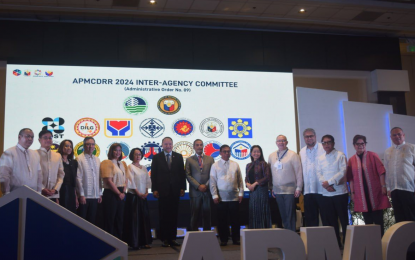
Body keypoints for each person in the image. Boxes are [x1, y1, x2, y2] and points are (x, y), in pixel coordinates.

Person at [347, 134, 390, 236]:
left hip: (375, 193)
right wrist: (352, 193)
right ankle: (371, 242)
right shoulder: (351, 160)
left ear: (365, 144)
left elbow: (381, 172)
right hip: (361, 194)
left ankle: (381, 242)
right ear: (354, 145)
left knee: (378, 219)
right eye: (358, 144)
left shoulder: (373, 155)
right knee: (367, 221)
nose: (360, 146)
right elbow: (350, 178)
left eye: (362, 143)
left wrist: (383, 186)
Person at [151, 137, 186, 247]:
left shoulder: (179, 157)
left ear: (172, 144)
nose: (168, 146)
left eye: (170, 144)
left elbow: (182, 174)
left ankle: (173, 238)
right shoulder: (157, 157)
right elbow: (154, 175)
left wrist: (182, 188)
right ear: (162, 145)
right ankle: (164, 239)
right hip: (162, 191)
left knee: (174, 215)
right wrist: (154, 189)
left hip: (175, 191)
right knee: (163, 215)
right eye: (166, 144)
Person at [316, 134, 348, 248]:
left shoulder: (340, 155)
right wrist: (325, 185)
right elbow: (318, 173)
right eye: (324, 143)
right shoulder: (320, 158)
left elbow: (343, 171)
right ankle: (336, 245)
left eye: (328, 142)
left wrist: (329, 182)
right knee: (331, 221)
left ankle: (348, 244)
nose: (326, 145)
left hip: (340, 193)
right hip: (326, 194)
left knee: (344, 220)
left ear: (333, 143)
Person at [210, 145, 244, 246]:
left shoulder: (235, 164)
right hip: (221, 198)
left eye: (228, 151)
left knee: (235, 220)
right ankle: (223, 239)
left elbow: (240, 181)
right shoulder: (215, 165)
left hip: (234, 197)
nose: (226, 153)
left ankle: (236, 239)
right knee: (222, 220)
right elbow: (212, 182)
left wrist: (241, 193)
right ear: (220, 153)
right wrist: (214, 195)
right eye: (224, 151)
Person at [268, 135, 303, 232]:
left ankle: (291, 236)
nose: (281, 142)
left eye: (283, 141)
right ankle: (286, 235)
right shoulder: (271, 156)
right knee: (283, 214)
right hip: (277, 190)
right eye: (279, 141)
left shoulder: (293, 155)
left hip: (290, 190)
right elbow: (270, 174)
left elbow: (299, 172)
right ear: (276, 143)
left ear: (286, 142)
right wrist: (271, 187)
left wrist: (299, 187)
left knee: (290, 214)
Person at [123, 148, 152, 249]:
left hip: (143, 197)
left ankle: (144, 241)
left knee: (144, 219)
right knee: (134, 221)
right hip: (134, 197)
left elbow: (147, 181)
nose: (138, 156)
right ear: (132, 156)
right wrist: (138, 193)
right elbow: (130, 182)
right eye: (136, 154)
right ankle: (135, 243)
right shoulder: (130, 167)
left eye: (139, 154)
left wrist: (146, 192)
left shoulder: (143, 167)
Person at [384, 127, 415, 222]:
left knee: (411, 215)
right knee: (399, 218)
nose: (397, 136)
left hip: (409, 188)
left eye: (399, 134)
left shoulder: (412, 148)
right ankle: (403, 237)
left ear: (403, 135)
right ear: (391, 137)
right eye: (394, 135)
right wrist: (388, 188)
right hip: (394, 189)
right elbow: (387, 170)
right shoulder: (388, 152)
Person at [0, 128, 42, 194]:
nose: (30, 139)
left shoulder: (35, 154)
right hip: (14, 195)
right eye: (28, 136)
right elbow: (4, 175)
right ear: (19, 137)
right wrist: (6, 194)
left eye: (32, 137)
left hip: (34, 196)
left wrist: (39, 192)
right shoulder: (9, 152)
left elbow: (39, 175)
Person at [100, 143, 129, 239]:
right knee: (110, 218)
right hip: (111, 193)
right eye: (115, 150)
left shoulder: (122, 163)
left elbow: (126, 179)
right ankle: (109, 241)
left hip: (121, 193)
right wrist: (118, 193)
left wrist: (123, 192)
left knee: (120, 218)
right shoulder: (107, 162)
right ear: (111, 151)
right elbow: (108, 181)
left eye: (119, 150)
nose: (118, 152)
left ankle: (119, 241)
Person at [185, 139, 215, 231]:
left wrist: (206, 185)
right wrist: (198, 186)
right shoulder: (189, 160)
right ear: (194, 147)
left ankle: (208, 236)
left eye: (201, 145)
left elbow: (213, 174)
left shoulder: (210, 159)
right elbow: (188, 175)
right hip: (195, 192)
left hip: (207, 191)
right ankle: (194, 235)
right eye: (197, 145)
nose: (199, 147)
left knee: (207, 215)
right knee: (195, 215)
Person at [299, 128, 325, 227]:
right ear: (304, 138)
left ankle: (327, 241)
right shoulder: (302, 152)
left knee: (325, 218)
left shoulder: (323, 148)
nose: (309, 138)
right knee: (311, 220)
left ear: (315, 136)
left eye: (311, 136)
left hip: (322, 189)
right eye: (307, 136)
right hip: (308, 190)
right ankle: (313, 242)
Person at [76, 137, 102, 225]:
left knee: (92, 221)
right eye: (88, 144)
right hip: (85, 196)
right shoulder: (79, 158)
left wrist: (99, 193)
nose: (90, 146)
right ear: (84, 146)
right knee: (82, 221)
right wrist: (81, 195)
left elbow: (99, 178)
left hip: (95, 196)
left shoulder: (97, 159)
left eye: (92, 144)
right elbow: (78, 178)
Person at [245, 145, 271, 229]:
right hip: (252, 192)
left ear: (261, 153)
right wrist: (247, 184)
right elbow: (246, 178)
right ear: (251, 153)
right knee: (253, 212)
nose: (256, 153)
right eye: (254, 151)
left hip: (261, 191)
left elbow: (267, 177)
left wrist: (255, 183)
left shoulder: (264, 164)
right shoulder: (248, 165)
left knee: (261, 212)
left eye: (258, 151)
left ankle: (263, 233)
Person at [37, 130, 65, 203]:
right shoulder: (34, 154)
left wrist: (55, 190)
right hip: (38, 193)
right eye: (45, 138)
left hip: (53, 195)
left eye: (50, 138)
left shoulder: (57, 155)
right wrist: (42, 188)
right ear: (39, 140)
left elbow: (61, 175)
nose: (48, 140)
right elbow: (32, 175)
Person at [57, 139, 79, 213]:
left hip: (71, 192)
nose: (69, 148)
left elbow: (74, 182)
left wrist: (75, 197)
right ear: (61, 147)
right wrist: (56, 197)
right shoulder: (57, 160)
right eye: (66, 146)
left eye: (70, 146)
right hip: (61, 191)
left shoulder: (73, 162)